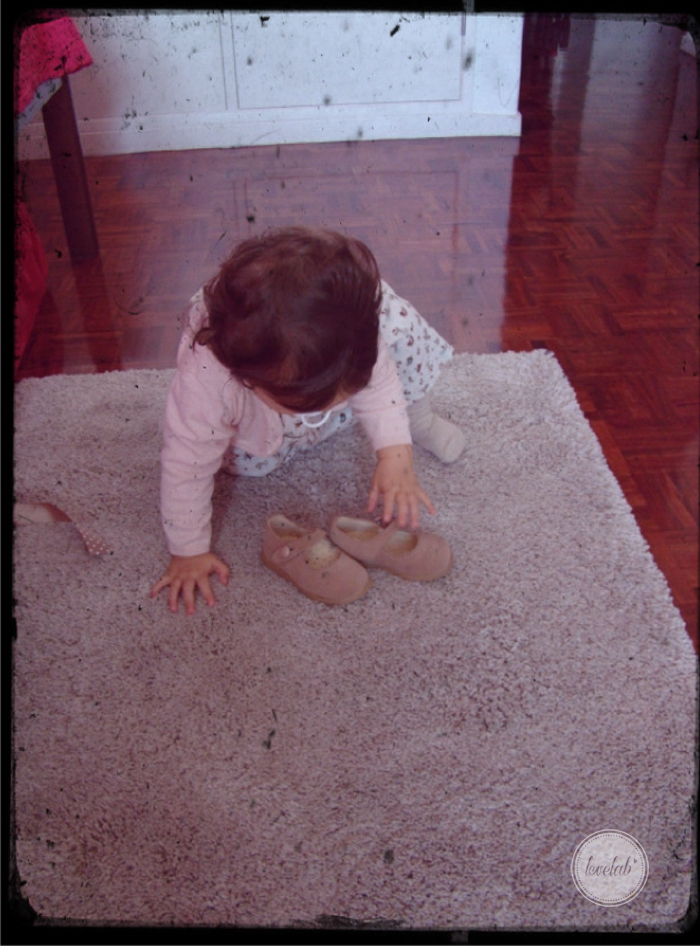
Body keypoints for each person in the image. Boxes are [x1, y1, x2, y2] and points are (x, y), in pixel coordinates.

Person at [150, 226, 465, 614]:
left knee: (402, 335)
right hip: (264, 428)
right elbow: (187, 464)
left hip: (337, 372)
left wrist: (396, 457)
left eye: (347, 390)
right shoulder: (208, 381)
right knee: (246, 466)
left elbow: (380, 385)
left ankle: (416, 415)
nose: (340, 403)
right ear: (249, 380)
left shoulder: (355, 326)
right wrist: (188, 551)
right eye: (315, 401)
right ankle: (302, 416)